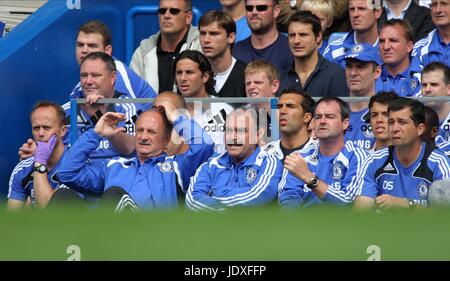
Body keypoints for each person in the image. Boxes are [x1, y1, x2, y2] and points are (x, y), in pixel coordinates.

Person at [18, 20, 156, 160]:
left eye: (92, 46)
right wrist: (41, 149)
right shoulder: (77, 92)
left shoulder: (119, 79)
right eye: (80, 45)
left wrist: (97, 115)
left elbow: (128, 145)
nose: (84, 50)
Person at [56, 101, 215, 211]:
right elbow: (67, 173)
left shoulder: (176, 166)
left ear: (167, 139)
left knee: (114, 194)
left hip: (151, 239)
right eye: (139, 130)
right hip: (111, 231)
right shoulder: (115, 165)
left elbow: (204, 145)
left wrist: (177, 117)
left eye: (151, 132)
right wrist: (96, 134)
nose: (143, 137)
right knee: (62, 196)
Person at [354, 97, 450, 210]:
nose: (395, 128)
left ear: (420, 129)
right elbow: (361, 213)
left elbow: (444, 219)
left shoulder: (438, 162)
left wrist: (406, 205)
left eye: (402, 122)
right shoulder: (374, 161)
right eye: (391, 122)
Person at [185, 107, 282, 211]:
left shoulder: (268, 162)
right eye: (228, 130)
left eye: (240, 131)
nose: (232, 137)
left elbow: (257, 197)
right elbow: (192, 201)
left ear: (257, 135)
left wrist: (215, 194)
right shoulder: (210, 165)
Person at [279, 97, 368, 207]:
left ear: (345, 123)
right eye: (318, 117)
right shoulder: (299, 156)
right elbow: (288, 198)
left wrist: (309, 178)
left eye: (330, 117)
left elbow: (349, 203)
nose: (322, 121)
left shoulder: (357, 156)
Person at [130, 0, 202, 93]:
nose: (166, 15)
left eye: (174, 11)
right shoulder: (142, 52)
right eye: (162, 11)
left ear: (188, 17)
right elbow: (133, 95)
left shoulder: (202, 45)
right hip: (151, 107)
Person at [8, 101, 68, 209]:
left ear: (62, 130)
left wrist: (40, 162)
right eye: (36, 128)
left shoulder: (76, 165)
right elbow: (13, 219)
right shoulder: (22, 170)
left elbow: (49, 209)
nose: (40, 133)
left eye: (46, 127)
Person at [174, 50, 234, 153]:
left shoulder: (224, 111)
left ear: (205, 77)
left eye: (189, 72)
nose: (183, 78)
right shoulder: (170, 111)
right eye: (179, 73)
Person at [279, 10, 348, 98]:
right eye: (292, 35)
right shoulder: (281, 78)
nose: (296, 41)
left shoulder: (336, 75)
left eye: (303, 35)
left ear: (318, 37)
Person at [232, 0, 293, 74]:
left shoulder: (292, 48)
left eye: (261, 7)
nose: (254, 12)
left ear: (276, 11)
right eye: (249, 8)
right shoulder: (234, 52)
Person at [198, 10, 246, 98]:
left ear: (231, 37)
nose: (206, 40)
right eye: (202, 33)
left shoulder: (247, 75)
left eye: (214, 33)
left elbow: (264, 110)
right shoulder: (194, 75)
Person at [343, 44, 382, 150]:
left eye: (361, 67)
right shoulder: (332, 112)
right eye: (349, 66)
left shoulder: (387, 115)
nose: (353, 73)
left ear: (377, 72)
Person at [323, 0, 382, 68]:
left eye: (361, 9)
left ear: (377, 12)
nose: (355, 14)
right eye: (352, 9)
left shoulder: (390, 47)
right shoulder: (334, 48)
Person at [377, 19, 422, 97]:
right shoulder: (371, 77)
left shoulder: (425, 76)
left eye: (393, 40)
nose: (386, 47)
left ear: (409, 46)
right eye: (382, 41)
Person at [412, 0, 450, 69]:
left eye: (444, 4)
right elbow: (415, 78)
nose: (438, 10)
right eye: (434, 5)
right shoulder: (419, 49)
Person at [421, 62, 450, 144]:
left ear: (449, 89)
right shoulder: (414, 118)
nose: (427, 89)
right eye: (424, 85)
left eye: (434, 84)